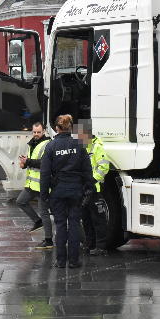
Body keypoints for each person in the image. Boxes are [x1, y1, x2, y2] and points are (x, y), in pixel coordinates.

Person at [40, 115, 93, 268]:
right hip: (76, 191)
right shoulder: (79, 145)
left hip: (58, 191)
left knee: (61, 225)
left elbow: (45, 173)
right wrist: (89, 188)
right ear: (70, 128)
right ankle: (74, 261)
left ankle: (61, 260)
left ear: (57, 128)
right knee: (75, 224)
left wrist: (44, 195)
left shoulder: (51, 146)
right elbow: (87, 170)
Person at [15, 122, 53, 249]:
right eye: (34, 132)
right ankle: (38, 222)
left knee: (44, 213)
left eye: (39, 132)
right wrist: (24, 163)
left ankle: (48, 241)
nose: (36, 134)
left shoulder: (47, 144)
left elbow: (45, 163)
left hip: (42, 185)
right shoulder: (32, 144)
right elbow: (31, 161)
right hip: (32, 184)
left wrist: (28, 161)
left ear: (44, 132)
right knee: (20, 201)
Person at [77, 120, 110, 256]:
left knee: (98, 220)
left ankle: (101, 247)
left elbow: (104, 167)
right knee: (86, 219)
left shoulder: (97, 147)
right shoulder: (84, 147)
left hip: (94, 190)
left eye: (80, 134)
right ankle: (89, 244)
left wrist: (91, 180)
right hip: (84, 189)